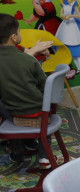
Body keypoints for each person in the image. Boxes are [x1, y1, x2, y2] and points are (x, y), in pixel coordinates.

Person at [0, 13, 52, 169]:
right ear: (14, 37)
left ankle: (17, 148)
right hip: (38, 112)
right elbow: (45, 87)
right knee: (45, 111)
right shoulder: (28, 60)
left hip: (14, 113)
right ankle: (44, 157)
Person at [55, 0, 80, 78]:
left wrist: (70, 16)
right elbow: (61, 13)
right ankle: (79, 69)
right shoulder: (62, 4)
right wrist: (64, 16)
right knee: (72, 52)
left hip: (75, 25)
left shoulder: (74, 3)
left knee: (78, 49)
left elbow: (79, 15)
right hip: (66, 25)